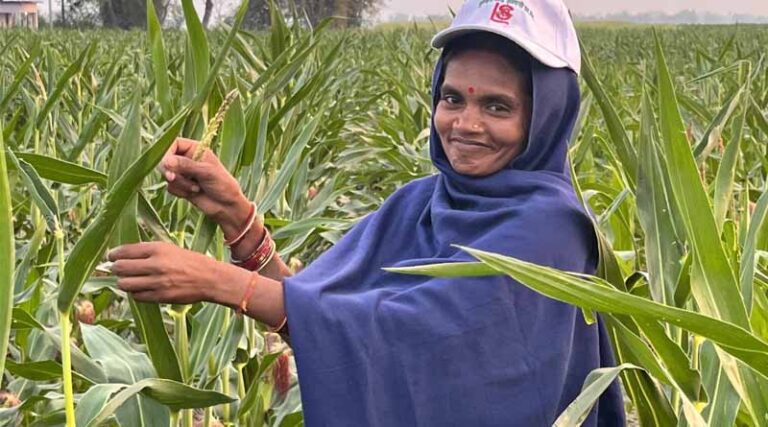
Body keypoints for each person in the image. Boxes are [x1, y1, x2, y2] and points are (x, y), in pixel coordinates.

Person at [108, 0, 626, 425]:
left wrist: (221, 283)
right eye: (452, 99)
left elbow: (417, 343)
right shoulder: (421, 203)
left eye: (497, 106)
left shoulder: (549, 230)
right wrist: (238, 217)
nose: (465, 124)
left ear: (546, 117)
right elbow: (322, 320)